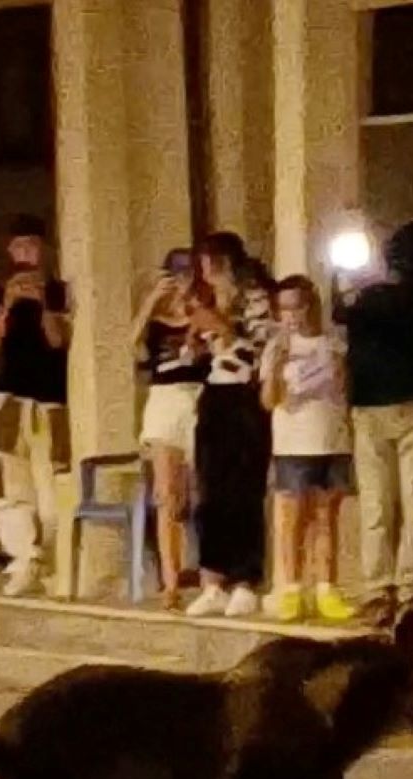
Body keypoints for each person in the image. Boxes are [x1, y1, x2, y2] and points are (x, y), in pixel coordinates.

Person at [335, 220, 413, 629]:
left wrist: (352, 279)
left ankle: (380, 588)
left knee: (378, 502)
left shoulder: (374, 297)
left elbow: (342, 312)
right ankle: (409, 587)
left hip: (374, 405)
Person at [185, 232, 276, 619]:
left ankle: (244, 578)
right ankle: (212, 579)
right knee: (210, 491)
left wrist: (223, 326)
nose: (206, 272)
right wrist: (196, 340)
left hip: (245, 398)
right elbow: (196, 355)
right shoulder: (207, 300)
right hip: (214, 396)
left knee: (242, 490)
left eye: (210, 263)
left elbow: (261, 347)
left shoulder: (254, 297)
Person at [0, 214, 72, 597]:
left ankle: (53, 560)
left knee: (51, 484)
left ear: (43, 249)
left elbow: (57, 342)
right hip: (11, 395)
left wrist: (42, 307)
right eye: (19, 247)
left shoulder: (56, 291)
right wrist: (7, 302)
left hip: (49, 398)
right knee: (13, 483)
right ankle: (22, 557)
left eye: (31, 246)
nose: (25, 254)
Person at [260, 275, 356, 623]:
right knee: (292, 517)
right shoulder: (275, 348)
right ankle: (291, 589)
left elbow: (344, 389)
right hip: (293, 441)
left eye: (296, 306)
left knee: (325, 515)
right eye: (283, 309)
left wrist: (337, 365)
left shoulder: (333, 342)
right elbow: (269, 400)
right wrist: (278, 365)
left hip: (330, 437)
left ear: (310, 305)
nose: (291, 316)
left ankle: (326, 588)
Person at [132, 247, 206, 610]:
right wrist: (151, 302)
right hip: (164, 400)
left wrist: (196, 313)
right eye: (175, 274)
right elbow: (134, 351)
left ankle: (209, 576)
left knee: (202, 491)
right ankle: (171, 581)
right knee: (167, 496)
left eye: (187, 273)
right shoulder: (157, 324)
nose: (182, 281)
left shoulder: (204, 314)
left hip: (198, 396)